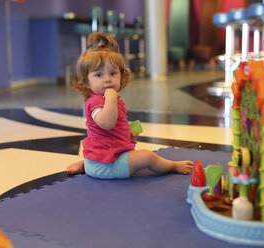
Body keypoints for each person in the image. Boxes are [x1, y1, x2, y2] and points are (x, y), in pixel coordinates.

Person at [66, 32, 193, 179]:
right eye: (99, 75)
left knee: (130, 152)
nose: (107, 79)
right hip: (106, 166)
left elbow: (111, 130)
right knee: (147, 157)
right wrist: (112, 98)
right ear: (87, 82)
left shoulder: (108, 98)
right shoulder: (95, 102)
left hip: (107, 155)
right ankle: (172, 165)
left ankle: (86, 163)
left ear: (121, 75)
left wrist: (127, 134)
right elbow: (107, 123)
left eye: (113, 73)